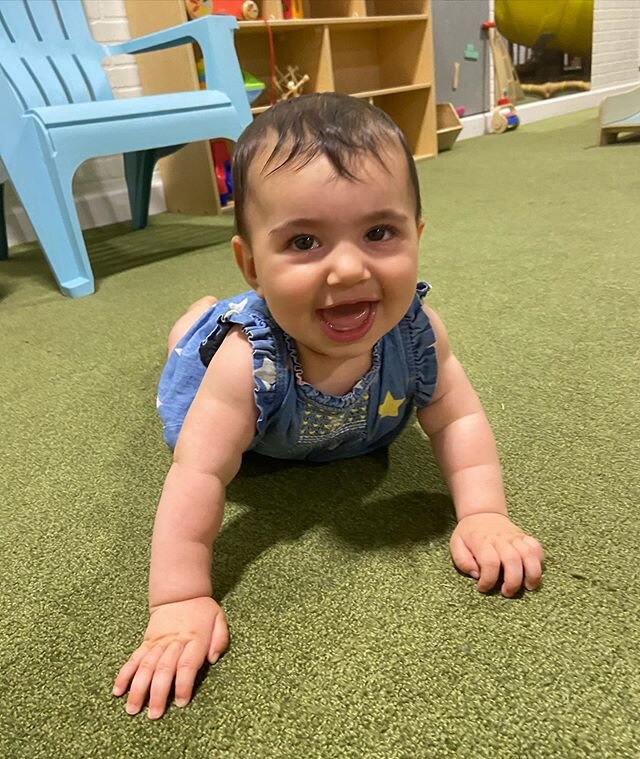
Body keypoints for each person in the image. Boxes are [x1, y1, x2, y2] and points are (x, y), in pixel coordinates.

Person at [112, 93, 544, 719]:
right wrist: (178, 599)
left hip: (346, 428)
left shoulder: (418, 332)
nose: (347, 268)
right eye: (306, 241)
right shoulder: (246, 364)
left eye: (378, 233)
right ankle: (193, 321)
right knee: (193, 341)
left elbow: (458, 416)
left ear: (416, 236)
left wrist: (483, 513)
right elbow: (199, 473)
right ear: (253, 264)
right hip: (240, 399)